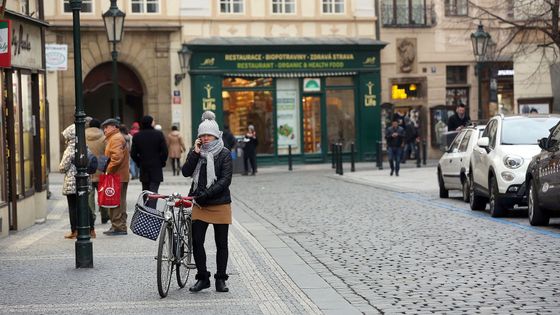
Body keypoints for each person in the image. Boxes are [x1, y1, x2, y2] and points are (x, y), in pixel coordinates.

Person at [182, 116, 233, 293]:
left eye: (208, 135)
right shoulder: (197, 151)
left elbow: (226, 180)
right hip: (200, 204)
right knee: (196, 241)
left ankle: (220, 279)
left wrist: (206, 193)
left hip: (220, 203)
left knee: (221, 243)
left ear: (216, 136)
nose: (204, 138)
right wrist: (195, 153)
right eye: (202, 135)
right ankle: (203, 277)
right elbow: (186, 172)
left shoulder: (224, 153)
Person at [60, 124, 95, 239]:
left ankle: (74, 230)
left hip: (72, 182)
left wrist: (61, 167)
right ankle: (91, 229)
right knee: (85, 205)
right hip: (84, 181)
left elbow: (63, 167)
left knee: (73, 206)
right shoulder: (84, 146)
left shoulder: (70, 148)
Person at [101, 118, 130, 236]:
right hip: (120, 175)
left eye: (106, 127)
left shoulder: (116, 138)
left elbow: (116, 157)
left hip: (117, 175)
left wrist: (108, 170)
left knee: (116, 201)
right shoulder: (115, 137)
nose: (104, 130)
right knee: (119, 200)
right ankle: (119, 225)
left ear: (113, 127)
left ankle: (118, 226)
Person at [130, 115, 168, 194]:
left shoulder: (137, 136)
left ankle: (146, 206)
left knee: (145, 191)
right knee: (154, 192)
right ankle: (151, 206)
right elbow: (165, 151)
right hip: (156, 166)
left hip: (144, 167)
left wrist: (139, 162)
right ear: (151, 123)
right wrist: (161, 162)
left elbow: (133, 153)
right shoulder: (159, 134)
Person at [85, 118, 109, 224]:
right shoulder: (104, 137)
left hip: (87, 168)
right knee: (102, 193)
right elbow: (107, 153)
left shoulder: (82, 136)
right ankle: (104, 215)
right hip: (101, 169)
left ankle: (91, 216)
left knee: (89, 194)